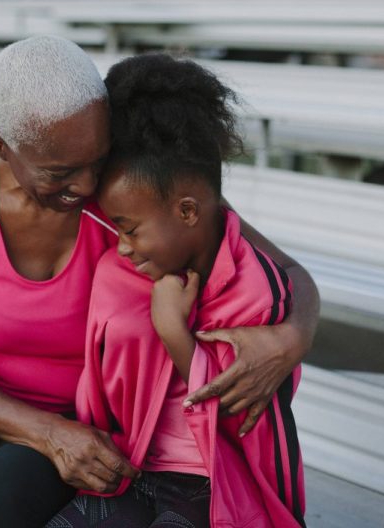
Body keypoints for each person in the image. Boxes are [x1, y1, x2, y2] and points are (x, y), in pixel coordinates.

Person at [0, 36, 318, 528]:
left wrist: (291, 337)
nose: (83, 186)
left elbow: (289, 272)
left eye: (95, 161)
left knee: (2, 500)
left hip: (87, 412)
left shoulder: (126, 194)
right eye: (60, 171)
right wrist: (46, 434)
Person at [46, 53, 305, 528]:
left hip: (215, 482)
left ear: (187, 212)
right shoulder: (119, 269)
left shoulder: (255, 290)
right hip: (131, 467)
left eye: (128, 229)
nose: (120, 246)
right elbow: (98, 393)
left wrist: (172, 331)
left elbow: (240, 422)